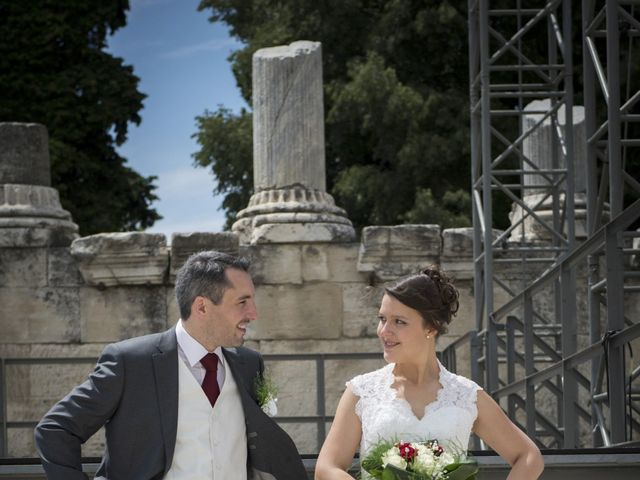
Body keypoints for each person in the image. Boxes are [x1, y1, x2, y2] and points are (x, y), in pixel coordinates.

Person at [35, 251, 307, 480]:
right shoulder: (131, 363)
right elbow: (56, 429)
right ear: (202, 307)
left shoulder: (250, 364)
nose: (253, 313)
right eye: (242, 302)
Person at [315, 267, 544, 480]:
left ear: (431, 328)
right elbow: (326, 469)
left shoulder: (465, 395)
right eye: (382, 319)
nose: (385, 331)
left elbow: (528, 457)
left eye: (399, 322)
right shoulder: (362, 391)